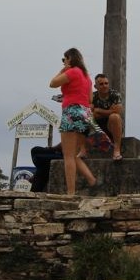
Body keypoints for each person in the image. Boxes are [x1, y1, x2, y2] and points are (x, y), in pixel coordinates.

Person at [48, 47, 97, 196]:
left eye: (64, 59)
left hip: (71, 111)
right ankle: (91, 179)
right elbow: (90, 100)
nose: (63, 62)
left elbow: (52, 83)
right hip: (85, 113)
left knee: (67, 155)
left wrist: (62, 71)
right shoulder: (87, 77)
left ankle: (70, 193)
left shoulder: (72, 71)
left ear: (70, 58)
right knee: (74, 154)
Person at [90, 73, 125, 161]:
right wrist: (109, 111)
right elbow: (90, 113)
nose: (104, 86)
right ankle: (83, 148)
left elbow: (117, 111)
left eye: (106, 83)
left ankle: (116, 150)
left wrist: (98, 110)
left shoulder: (115, 95)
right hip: (98, 129)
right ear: (95, 86)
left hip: (112, 127)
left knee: (115, 117)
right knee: (86, 117)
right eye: (101, 84)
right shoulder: (92, 96)